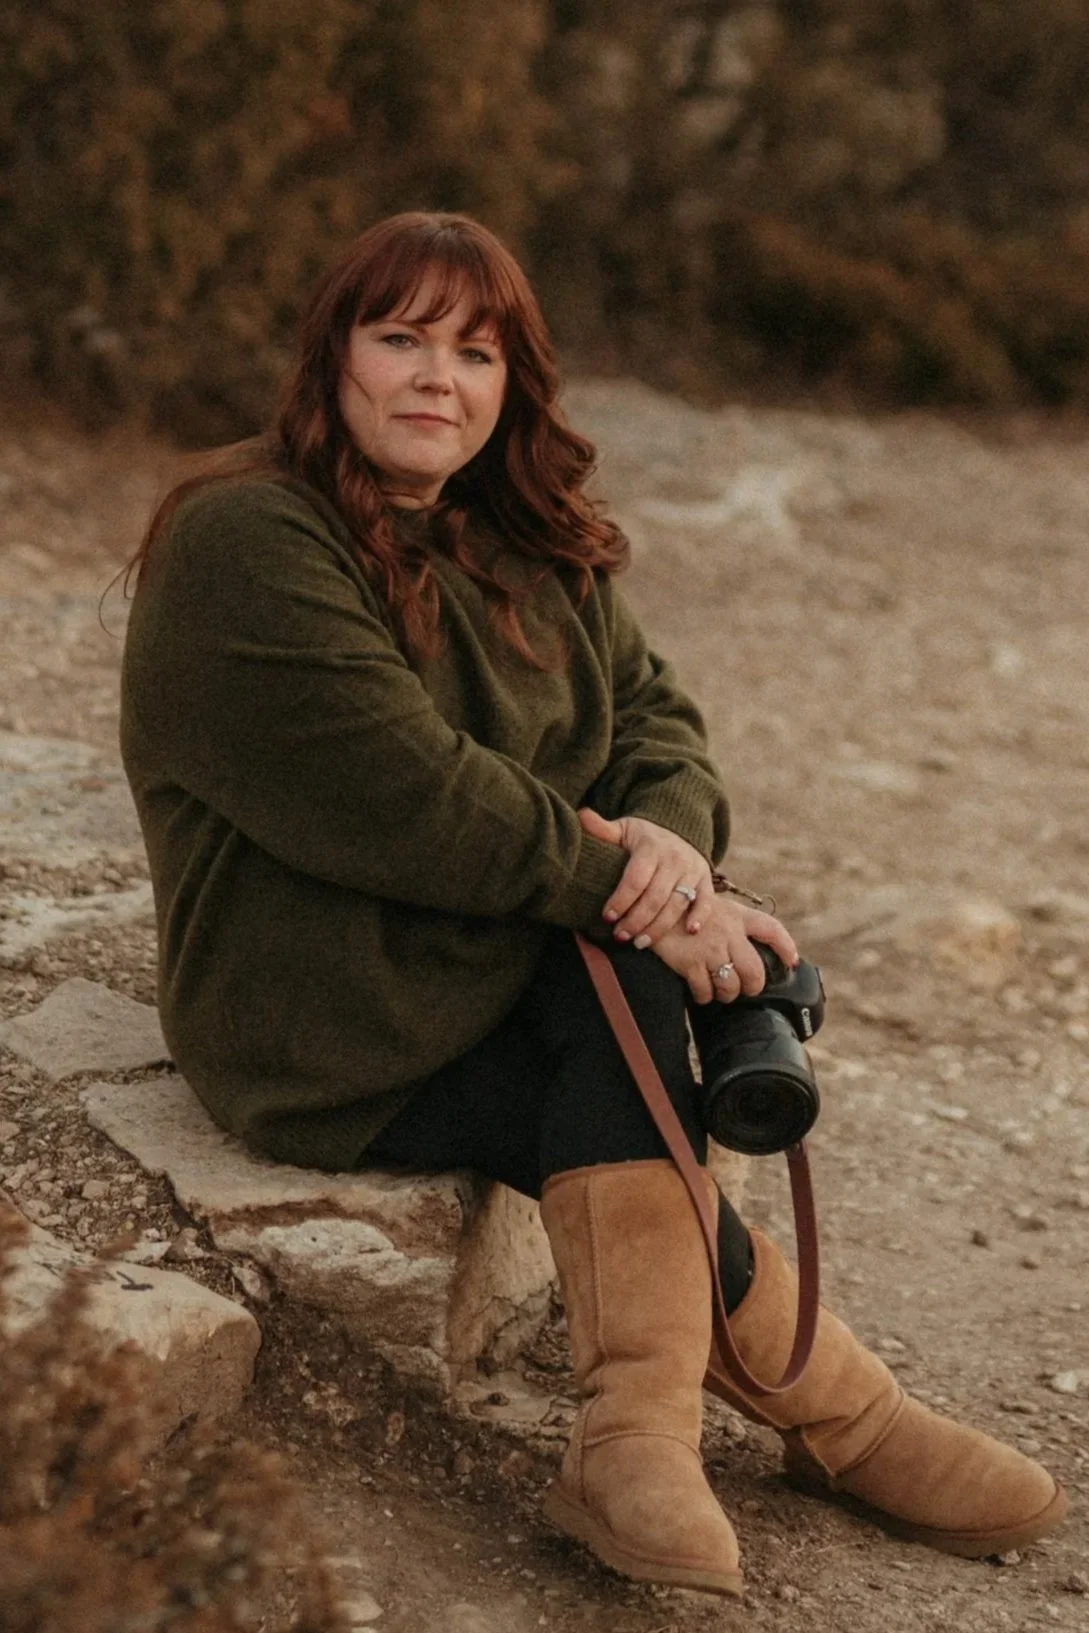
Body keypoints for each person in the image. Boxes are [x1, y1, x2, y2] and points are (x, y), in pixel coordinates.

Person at [120, 211, 1066, 1598]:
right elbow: (410, 791)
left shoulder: (520, 540)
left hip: (488, 962)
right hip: (319, 1011)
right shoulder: (242, 537)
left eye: (477, 350)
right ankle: (834, 1413)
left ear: (514, 385)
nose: (438, 377)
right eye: (401, 339)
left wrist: (671, 859)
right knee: (628, 993)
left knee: (623, 1015)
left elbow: (661, 729)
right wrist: (647, 895)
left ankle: (646, 1445)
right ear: (334, 360)